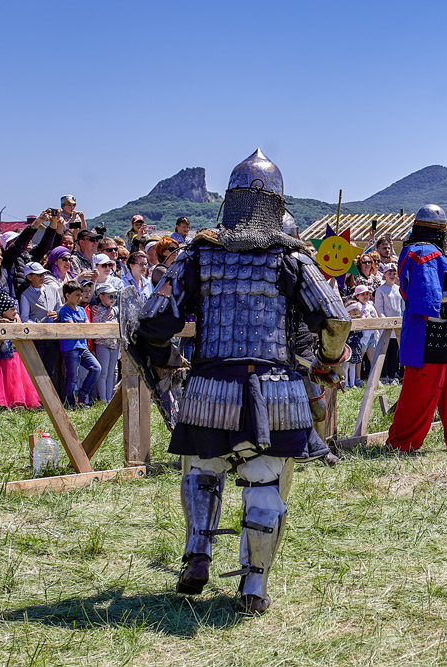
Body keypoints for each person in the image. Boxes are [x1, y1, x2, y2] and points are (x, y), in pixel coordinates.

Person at [131, 149, 350, 613]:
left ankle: (198, 551)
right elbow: (336, 320)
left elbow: (152, 320)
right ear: (276, 203)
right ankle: (253, 587)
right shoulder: (289, 259)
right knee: (265, 488)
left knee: (202, 472)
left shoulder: (198, 255)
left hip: (211, 386)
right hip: (276, 391)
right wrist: (327, 364)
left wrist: (162, 358)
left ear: (229, 201)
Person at [387, 204, 447, 453]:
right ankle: (402, 443)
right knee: (420, 393)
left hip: (445, 332)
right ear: (439, 231)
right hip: (430, 334)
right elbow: (424, 298)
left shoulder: (418, 251)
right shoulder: (424, 253)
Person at [0, 292, 41, 409]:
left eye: (15, 309)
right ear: (3, 311)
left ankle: (20, 400)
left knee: (18, 379)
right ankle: (5, 401)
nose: (15, 312)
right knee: (6, 379)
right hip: (4, 356)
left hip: (16, 354)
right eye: (12, 309)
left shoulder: (16, 320)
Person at [57, 280, 101, 407]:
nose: (79, 298)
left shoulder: (81, 310)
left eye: (80, 295)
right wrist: (81, 327)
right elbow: (72, 327)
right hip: (70, 347)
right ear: (67, 295)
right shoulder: (64, 310)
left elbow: (86, 327)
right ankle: (70, 403)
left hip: (82, 346)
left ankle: (82, 394)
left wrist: (81, 327)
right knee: (72, 377)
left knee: (96, 368)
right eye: (76, 295)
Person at [90, 284, 121, 402]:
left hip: (114, 343)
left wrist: (114, 309)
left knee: (113, 372)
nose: (113, 299)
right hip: (102, 343)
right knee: (103, 372)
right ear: (101, 296)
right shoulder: (96, 309)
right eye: (110, 296)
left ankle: (111, 398)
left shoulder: (115, 310)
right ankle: (103, 399)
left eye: (115, 296)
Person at [374, 263, 403, 383]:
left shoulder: (398, 289)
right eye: (389, 273)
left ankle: (393, 374)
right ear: (384, 275)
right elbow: (379, 307)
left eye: (393, 273)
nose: (391, 275)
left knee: (395, 351)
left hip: (397, 324)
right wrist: (384, 319)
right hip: (386, 325)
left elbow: (402, 307)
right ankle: (384, 374)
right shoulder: (381, 290)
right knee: (384, 351)